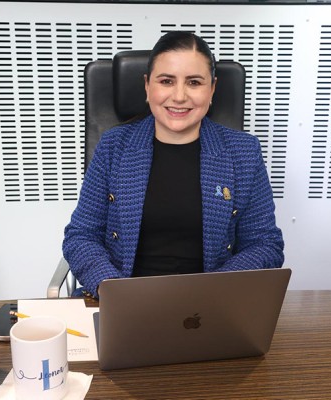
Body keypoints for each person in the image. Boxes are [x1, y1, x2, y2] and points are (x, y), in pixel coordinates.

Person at [62, 31, 284, 298]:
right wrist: (111, 288)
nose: (179, 96)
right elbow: (81, 236)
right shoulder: (114, 146)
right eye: (166, 81)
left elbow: (265, 244)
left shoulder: (243, 152)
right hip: (125, 300)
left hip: (211, 303)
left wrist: (214, 289)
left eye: (194, 82)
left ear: (212, 89)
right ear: (147, 86)